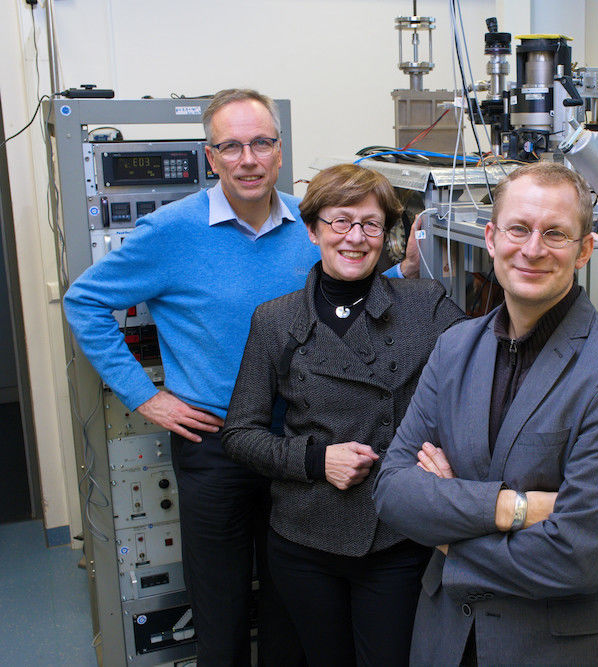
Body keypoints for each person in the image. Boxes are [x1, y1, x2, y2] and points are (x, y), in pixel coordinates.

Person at [62, 89, 419, 664]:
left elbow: (352, 288)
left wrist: (410, 267)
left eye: (261, 143)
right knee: (222, 607)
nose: (248, 159)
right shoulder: (170, 232)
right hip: (213, 445)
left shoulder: (311, 225)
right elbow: (84, 303)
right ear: (211, 157)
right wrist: (144, 397)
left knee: (290, 607)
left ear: (279, 152)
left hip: (298, 442)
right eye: (232, 146)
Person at [373, 161, 598, 665]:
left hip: (557, 649)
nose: (532, 249)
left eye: (555, 233)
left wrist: (449, 542)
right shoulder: (454, 348)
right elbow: (393, 490)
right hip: (445, 640)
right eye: (519, 229)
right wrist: (515, 508)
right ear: (490, 237)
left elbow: (578, 555)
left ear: (585, 250)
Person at [222, 163, 465, 666]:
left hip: (395, 534)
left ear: (386, 236)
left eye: (371, 224)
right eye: (340, 222)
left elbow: (484, 370)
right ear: (312, 231)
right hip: (304, 538)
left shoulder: (426, 305)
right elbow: (239, 434)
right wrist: (316, 460)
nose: (355, 237)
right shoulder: (276, 320)